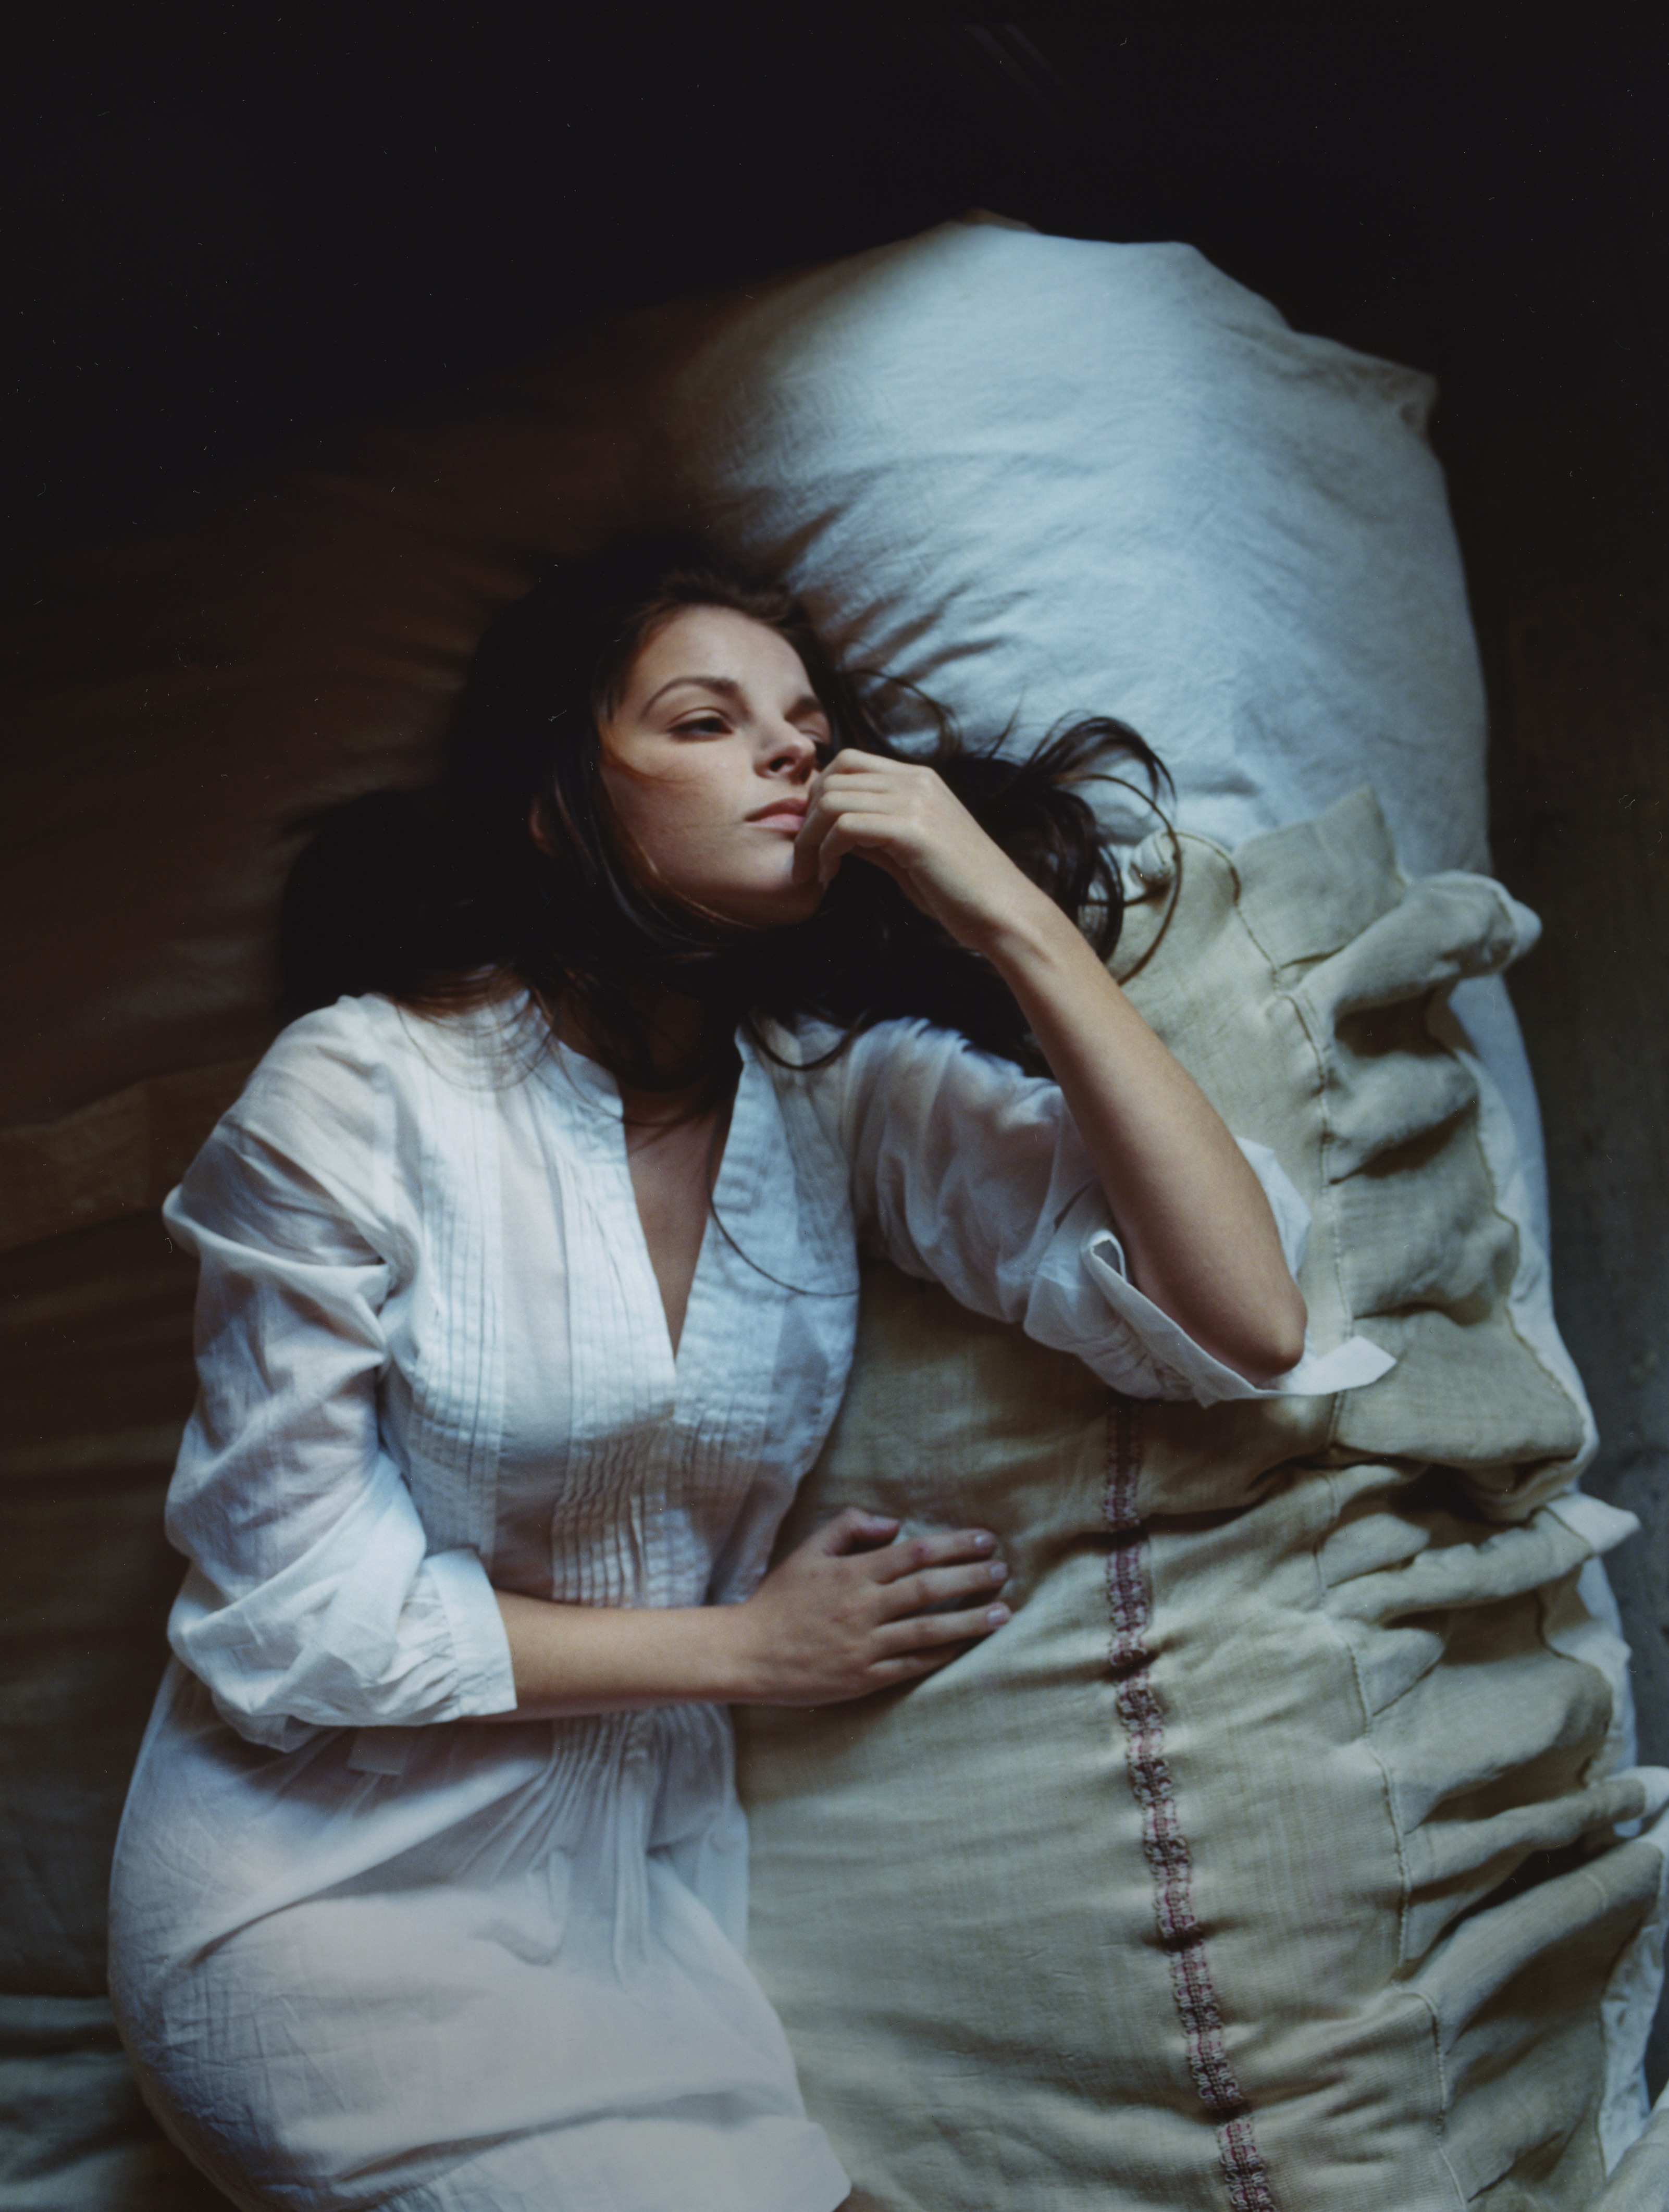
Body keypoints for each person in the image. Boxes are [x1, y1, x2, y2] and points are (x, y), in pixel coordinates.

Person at [108, 544, 1367, 2212]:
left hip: (641, 1919)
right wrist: (751, 1652)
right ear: (556, 806)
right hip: (311, 1903)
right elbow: (295, 1616)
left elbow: (1242, 1317)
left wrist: (1003, 917)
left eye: (809, 726)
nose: (790, 752)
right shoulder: (359, 1090)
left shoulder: (842, 1098)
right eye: (706, 722)